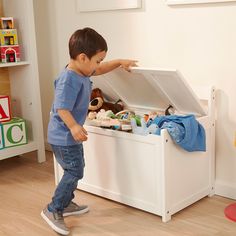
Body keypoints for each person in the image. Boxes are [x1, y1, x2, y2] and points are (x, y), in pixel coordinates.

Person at [41, 27, 137, 235]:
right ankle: (54, 208)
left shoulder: (82, 70)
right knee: (74, 171)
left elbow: (101, 71)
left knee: (76, 169)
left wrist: (120, 62)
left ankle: (66, 203)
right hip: (64, 135)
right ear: (83, 57)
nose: (99, 66)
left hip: (68, 135)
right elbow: (61, 108)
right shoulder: (69, 79)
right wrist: (75, 126)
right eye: (98, 60)